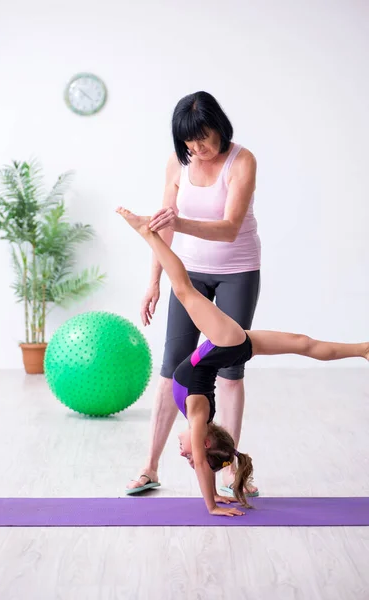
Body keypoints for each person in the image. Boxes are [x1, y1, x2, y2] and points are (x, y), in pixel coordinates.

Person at [117, 206, 369, 517]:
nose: (184, 454)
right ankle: (148, 234)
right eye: (190, 455)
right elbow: (199, 457)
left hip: (237, 347)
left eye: (187, 457)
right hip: (226, 342)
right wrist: (211, 505)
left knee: (304, 344)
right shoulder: (198, 416)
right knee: (183, 289)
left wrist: (217, 495)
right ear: (206, 442)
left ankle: (362, 349)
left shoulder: (202, 420)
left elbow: (202, 459)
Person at [126, 91, 262, 497]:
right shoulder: (178, 164)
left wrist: (181, 223)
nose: (197, 149)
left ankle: (230, 468)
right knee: (171, 369)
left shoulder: (242, 161)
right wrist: (154, 280)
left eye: (203, 139)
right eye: (189, 143)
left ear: (219, 127)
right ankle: (150, 467)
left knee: (230, 370)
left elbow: (230, 227)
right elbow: (163, 228)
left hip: (237, 271)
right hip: (188, 274)